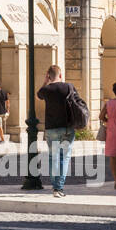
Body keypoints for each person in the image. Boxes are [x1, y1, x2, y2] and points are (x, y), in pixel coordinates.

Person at [37, 65, 77, 197]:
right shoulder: (68, 87)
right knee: (64, 158)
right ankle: (59, 188)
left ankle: (55, 187)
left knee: (53, 157)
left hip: (51, 128)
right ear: (60, 75)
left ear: (49, 76)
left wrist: (45, 81)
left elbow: (39, 94)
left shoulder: (47, 89)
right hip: (67, 127)